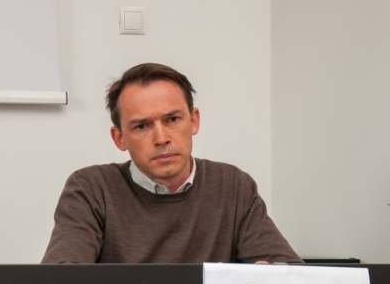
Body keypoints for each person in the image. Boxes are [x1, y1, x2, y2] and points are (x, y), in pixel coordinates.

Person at [41, 63, 302, 264]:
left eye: (173, 120)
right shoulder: (91, 188)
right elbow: (61, 280)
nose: (162, 138)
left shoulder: (233, 185)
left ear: (194, 121)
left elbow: (292, 276)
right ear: (119, 138)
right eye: (142, 126)